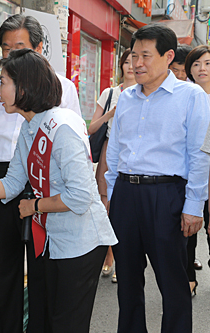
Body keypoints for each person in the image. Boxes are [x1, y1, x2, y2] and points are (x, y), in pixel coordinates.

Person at [0, 48, 117, 332]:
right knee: (50, 322)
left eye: (3, 83)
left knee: (66, 325)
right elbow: (11, 184)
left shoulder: (61, 128)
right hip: (56, 240)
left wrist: (34, 207)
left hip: (82, 243)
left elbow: (80, 196)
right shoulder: (31, 128)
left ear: (24, 88)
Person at [0, 14, 81, 333]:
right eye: (5, 48)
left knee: (41, 266)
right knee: (4, 268)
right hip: (0, 180)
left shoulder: (62, 87)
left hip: (41, 184)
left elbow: (73, 144)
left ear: (39, 48)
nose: (10, 55)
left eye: (19, 47)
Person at [105, 24, 210, 332]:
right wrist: (112, 194)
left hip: (166, 195)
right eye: (134, 55)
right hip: (125, 193)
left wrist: (194, 205)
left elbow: (200, 154)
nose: (137, 63)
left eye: (145, 56)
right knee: (127, 280)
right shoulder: (125, 97)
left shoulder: (191, 97)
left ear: (167, 57)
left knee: (172, 280)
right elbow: (115, 150)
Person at [88, 49, 135, 283]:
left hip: (133, 153)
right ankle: (108, 255)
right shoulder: (110, 93)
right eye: (126, 62)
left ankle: (121, 258)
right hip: (109, 150)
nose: (130, 66)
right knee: (105, 205)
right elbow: (91, 128)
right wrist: (111, 114)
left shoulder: (144, 93)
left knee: (124, 207)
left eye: (133, 61)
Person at [187, 45, 210, 288]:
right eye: (196, 64)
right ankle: (189, 277)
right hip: (190, 174)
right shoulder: (185, 98)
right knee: (187, 230)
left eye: (207, 63)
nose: (202, 68)